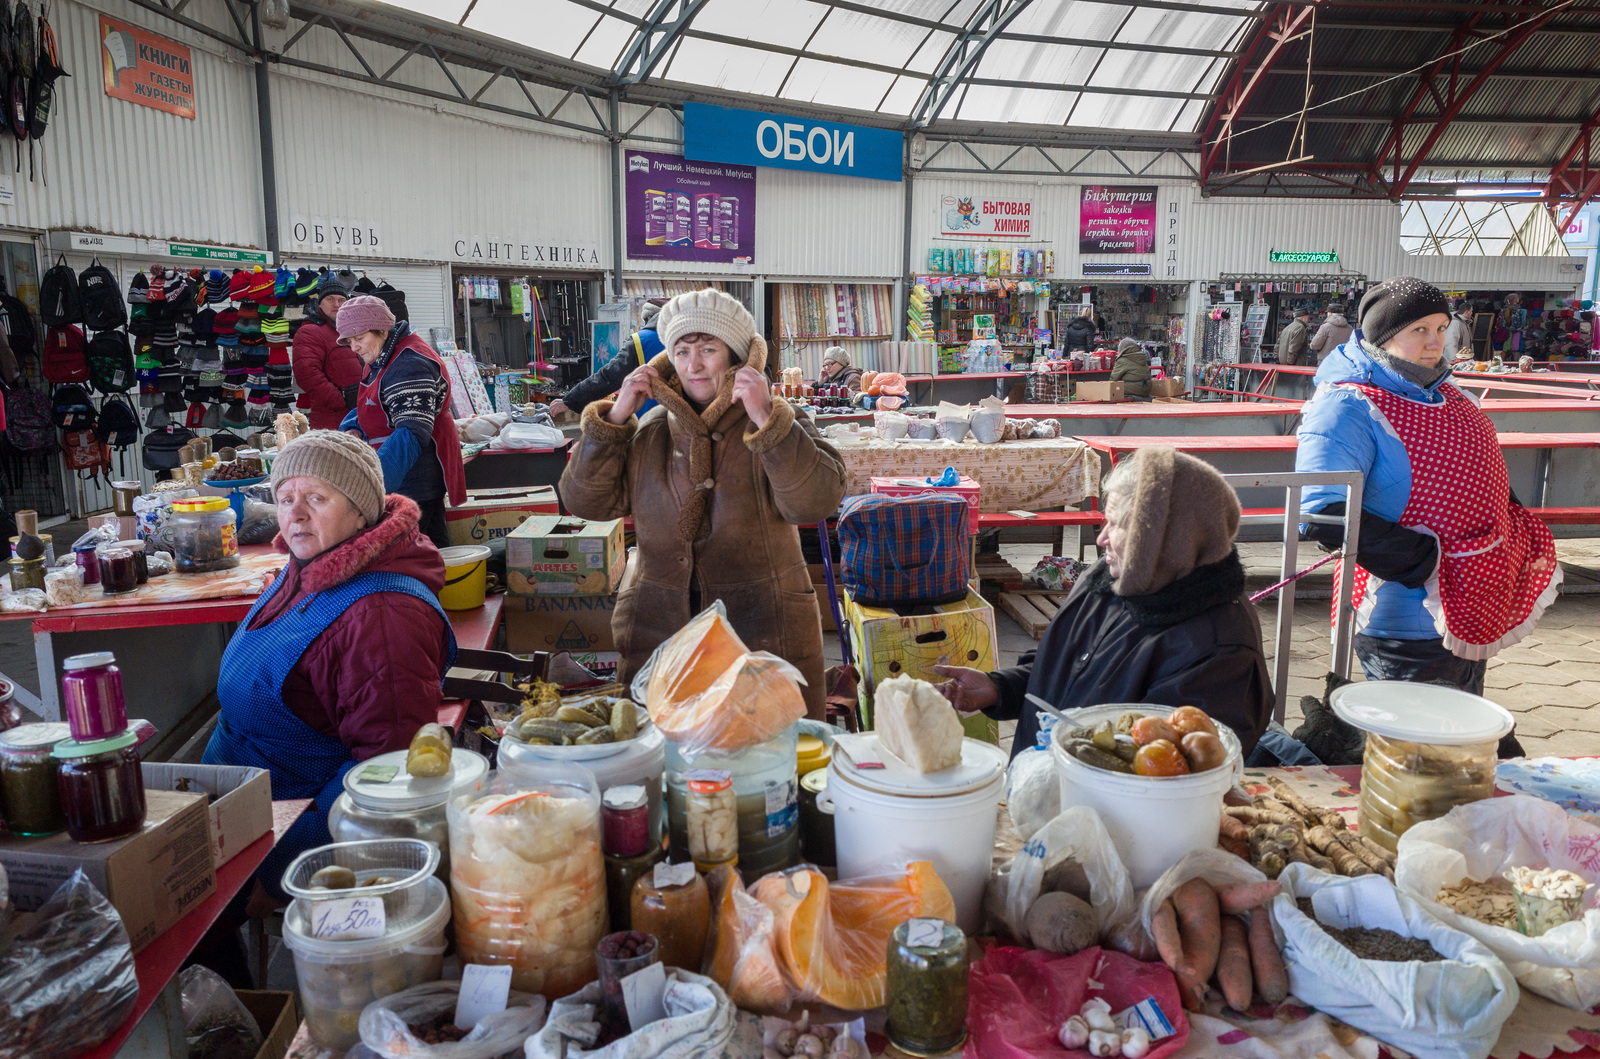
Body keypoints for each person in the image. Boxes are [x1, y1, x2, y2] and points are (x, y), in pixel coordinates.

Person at [1294, 277, 1559, 756]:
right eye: (1419, 329)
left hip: (1472, 602)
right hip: (1402, 616)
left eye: (1441, 327)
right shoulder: (1346, 405)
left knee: (1458, 748)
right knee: (1415, 759)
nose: (1435, 341)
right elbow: (1323, 513)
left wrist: (1509, 531)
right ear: (1382, 335)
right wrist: (1428, 565)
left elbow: (1482, 471)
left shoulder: (1449, 394)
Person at [559, 288, 848, 718]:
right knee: (670, 767)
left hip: (763, 633)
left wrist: (767, 418)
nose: (693, 365)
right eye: (681, 351)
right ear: (666, 360)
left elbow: (814, 502)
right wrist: (614, 418)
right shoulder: (649, 430)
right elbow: (584, 502)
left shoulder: (777, 417)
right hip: (661, 632)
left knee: (765, 765)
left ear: (734, 355)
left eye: (708, 349)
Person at [202, 431, 454, 920]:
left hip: (288, 843)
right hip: (233, 816)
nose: (295, 514)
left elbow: (385, 772)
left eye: (316, 498)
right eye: (285, 499)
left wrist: (278, 876)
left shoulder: (381, 615)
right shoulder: (307, 567)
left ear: (361, 512)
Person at [933, 446, 1273, 761]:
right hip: (1046, 788)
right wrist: (998, 687)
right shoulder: (1109, 580)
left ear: (1165, 540)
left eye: (1117, 525)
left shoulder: (1220, 651)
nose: (1101, 539)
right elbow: (1059, 666)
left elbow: (1166, 773)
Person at [337, 295, 466, 546]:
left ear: (382, 330)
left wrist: (372, 486)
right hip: (400, 470)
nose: (354, 348)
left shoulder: (409, 363)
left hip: (415, 474)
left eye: (359, 338)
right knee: (431, 549)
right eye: (350, 341)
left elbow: (411, 431)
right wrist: (353, 426)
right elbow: (374, 402)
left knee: (419, 551)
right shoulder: (380, 353)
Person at [550, 298, 667, 416]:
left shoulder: (641, 341)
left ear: (648, 318)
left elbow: (608, 377)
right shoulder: (682, 339)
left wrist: (571, 400)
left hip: (652, 421)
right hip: (681, 420)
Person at [291, 272, 359, 430]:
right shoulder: (309, 331)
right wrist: (339, 400)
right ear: (319, 304)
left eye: (341, 300)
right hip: (332, 419)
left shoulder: (351, 332)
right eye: (330, 299)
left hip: (357, 416)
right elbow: (307, 374)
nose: (336, 304)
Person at [1443, 298, 1476, 362]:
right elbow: (1451, 343)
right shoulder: (1455, 324)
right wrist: (1454, 359)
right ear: (1466, 312)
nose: (1472, 313)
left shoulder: (1465, 323)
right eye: (1471, 311)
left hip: (1462, 360)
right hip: (1455, 362)